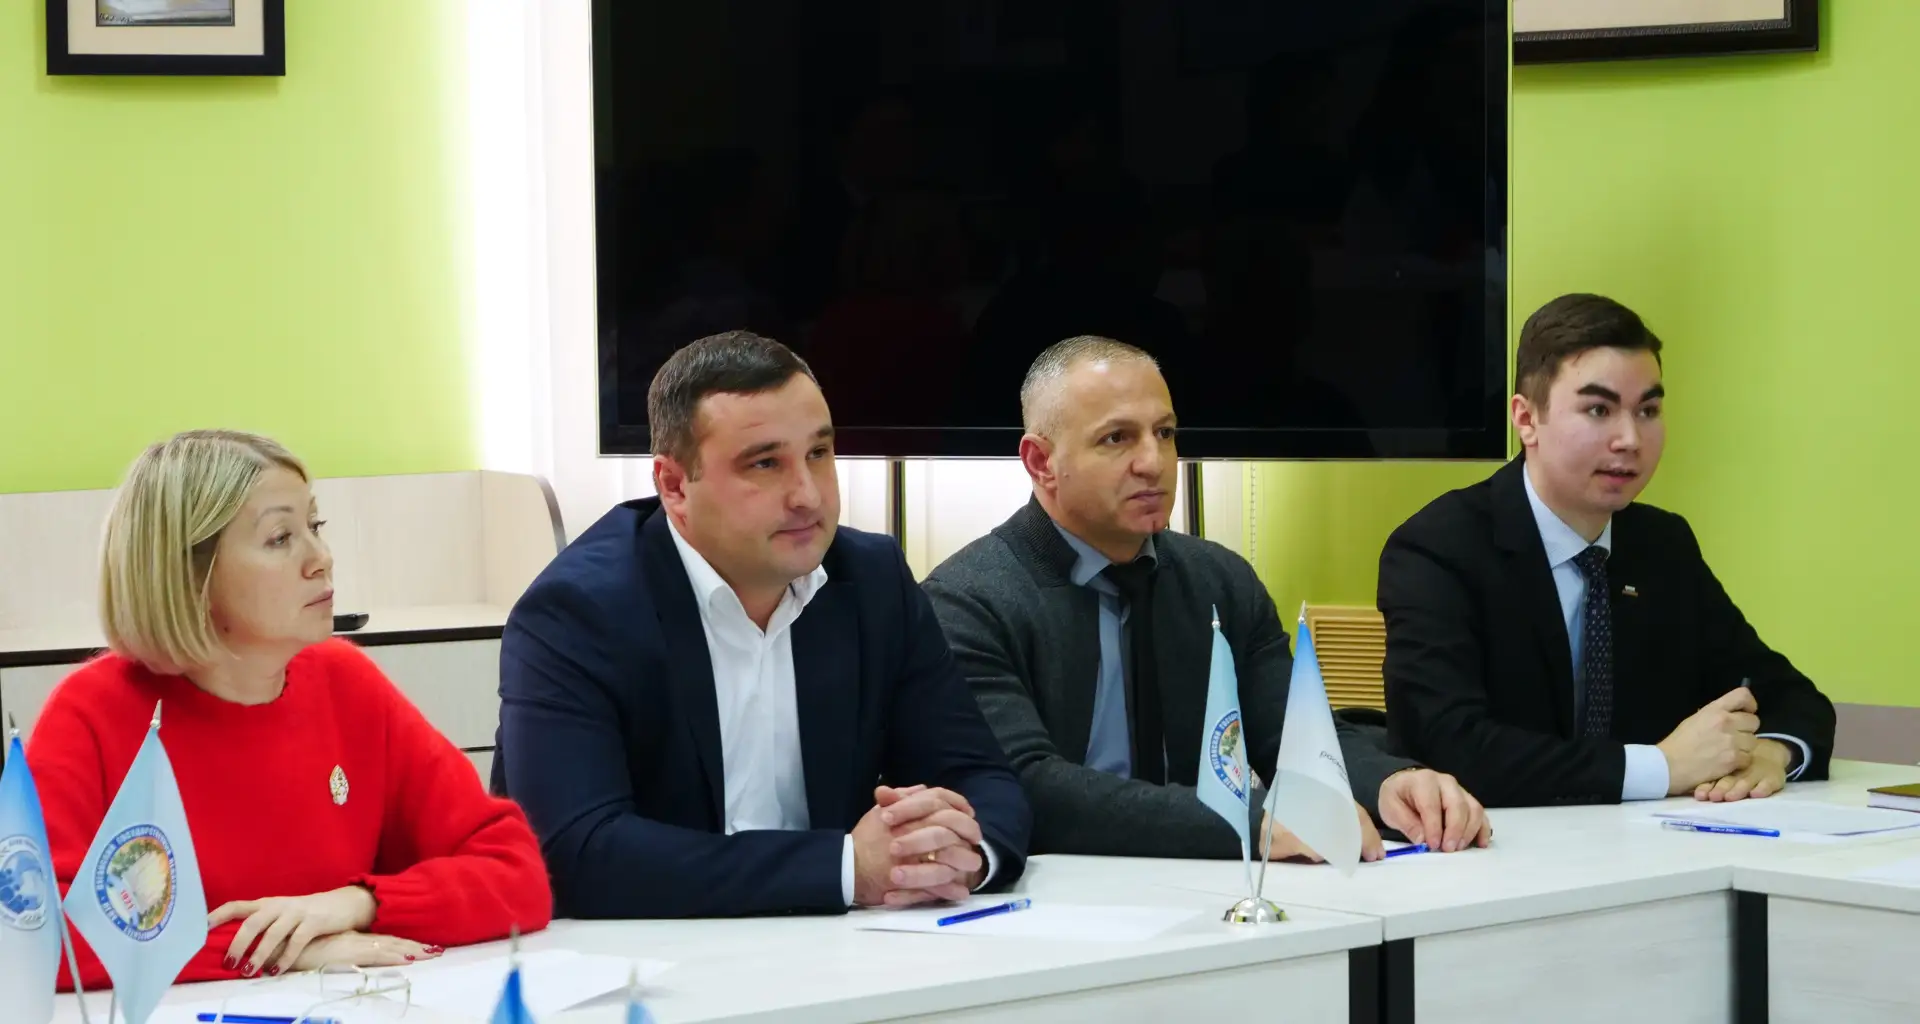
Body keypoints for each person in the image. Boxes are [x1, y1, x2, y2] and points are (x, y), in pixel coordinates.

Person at [495, 331, 1031, 918]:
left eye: (819, 454)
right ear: (674, 485)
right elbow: (575, 852)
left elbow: (979, 776)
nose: (808, 496)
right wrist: (848, 868)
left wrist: (963, 855)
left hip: (844, 946)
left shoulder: (871, 581)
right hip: (646, 955)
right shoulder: (577, 612)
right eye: (766, 463)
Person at [922, 336, 1491, 861]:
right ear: (1041, 462)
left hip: (1210, 890)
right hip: (1053, 900)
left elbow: (1293, 734)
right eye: (1117, 438)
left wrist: (1390, 781)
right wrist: (1249, 823)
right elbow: (1027, 786)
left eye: (1165, 433)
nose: (1154, 462)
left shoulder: (1220, 580)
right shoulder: (966, 603)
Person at [30, 431, 550, 989]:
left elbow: (516, 874)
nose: (322, 558)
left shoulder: (346, 682)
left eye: (315, 526)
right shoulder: (91, 713)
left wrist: (359, 903)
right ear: (189, 575)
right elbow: (30, 934)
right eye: (280, 538)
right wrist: (284, 950)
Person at [1378, 294, 1835, 807]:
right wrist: (1661, 768)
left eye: (1648, 410)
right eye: (1599, 410)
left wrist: (1773, 752)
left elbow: (1793, 697)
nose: (1630, 439)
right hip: (1492, 846)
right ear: (1526, 419)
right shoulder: (1437, 549)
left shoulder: (1663, 545)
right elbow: (1449, 747)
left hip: (1645, 845)